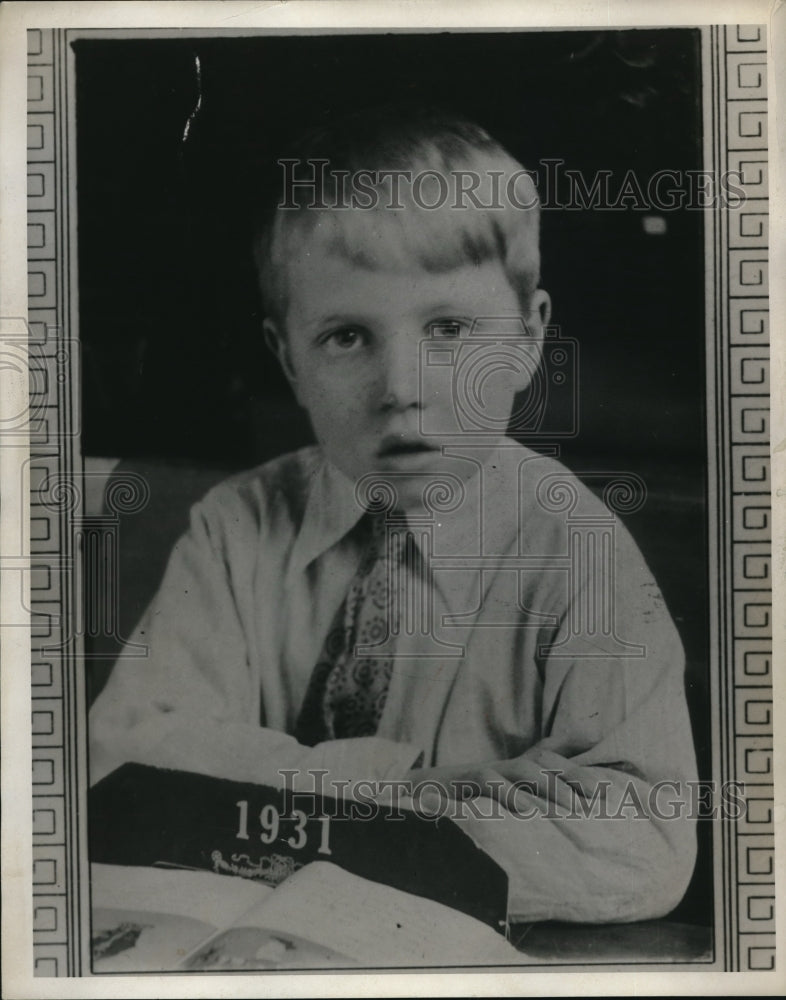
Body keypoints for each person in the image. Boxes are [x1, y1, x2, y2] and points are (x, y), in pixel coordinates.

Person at [89, 107, 698, 925]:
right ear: (288, 361)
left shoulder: (575, 551)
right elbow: (116, 762)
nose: (400, 386)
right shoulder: (239, 524)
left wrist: (275, 806)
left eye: (449, 329)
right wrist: (404, 791)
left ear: (526, 339)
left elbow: (641, 849)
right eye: (346, 338)